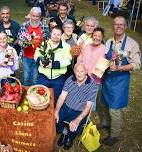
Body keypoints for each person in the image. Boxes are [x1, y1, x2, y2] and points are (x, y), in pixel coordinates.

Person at [99, 16, 141, 146]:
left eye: (121, 24)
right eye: (116, 24)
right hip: (107, 79)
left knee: (114, 108)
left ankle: (114, 135)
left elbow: (137, 64)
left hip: (119, 81)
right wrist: (99, 72)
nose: (118, 26)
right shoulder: (109, 42)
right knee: (104, 102)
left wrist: (120, 67)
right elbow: (104, 59)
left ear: (125, 26)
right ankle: (106, 122)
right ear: (113, 26)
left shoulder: (132, 44)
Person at [55, 63, 99, 150]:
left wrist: (77, 120)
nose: (79, 74)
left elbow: (88, 106)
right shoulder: (70, 79)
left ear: (86, 71)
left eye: (82, 71)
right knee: (57, 120)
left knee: (75, 126)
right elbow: (62, 96)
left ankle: (70, 138)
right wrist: (56, 110)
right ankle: (64, 133)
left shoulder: (93, 85)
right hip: (66, 106)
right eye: (77, 71)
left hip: (80, 111)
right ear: (74, 72)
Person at [34, 26, 71, 105]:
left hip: (58, 78)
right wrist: (40, 61)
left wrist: (53, 65)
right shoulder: (44, 44)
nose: (56, 36)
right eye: (54, 34)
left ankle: (54, 112)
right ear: (51, 34)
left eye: (58, 34)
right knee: (40, 96)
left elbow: (68, 60)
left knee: (57, 97)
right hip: (43, 76)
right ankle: (42, 110)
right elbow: (36, 56)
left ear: (61, 35)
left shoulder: (66, 46)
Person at [18, 7, 50, 86]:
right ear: (30, 15)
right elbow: (19, 40)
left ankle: (34, 93)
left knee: (35, 77)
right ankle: (25, 93)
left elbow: (48, 40)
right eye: (33, 16)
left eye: (37, 16)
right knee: (26, 76)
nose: (35, 18)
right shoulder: (25, 25)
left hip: (38, 57)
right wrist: (25, 43)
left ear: (40, 17)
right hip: (26, 56)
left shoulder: (44, 26)